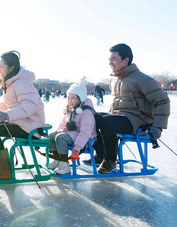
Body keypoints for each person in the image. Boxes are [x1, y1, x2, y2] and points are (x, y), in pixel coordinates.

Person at [95, 43, 170, 174]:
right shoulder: (114, 79)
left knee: (107, 121)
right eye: (109, 59)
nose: (110, 62)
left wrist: (158, 127)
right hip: (121, 117)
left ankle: (110, 160)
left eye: (113, 59)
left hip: (138, 120)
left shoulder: (142, 79)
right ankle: (101, 154)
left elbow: (162, 101)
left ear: (126, 60)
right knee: (92, 116)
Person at [0, 51, 45, 181]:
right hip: (22, 123)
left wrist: (7, 115)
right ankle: (1, 164)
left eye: (2, 67)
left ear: (12, 68)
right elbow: (9, 105)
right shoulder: (11, 83)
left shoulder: (22, 83)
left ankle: (5, 169)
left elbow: (29, 106)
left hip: (31, 126)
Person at [48, 79, 97, 174]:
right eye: (68, 98)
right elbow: (63, 123)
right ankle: (57, 159)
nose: (69, 101)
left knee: (60, 137)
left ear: (80, 98)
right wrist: (56, 133)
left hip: (84, 140)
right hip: (72, 134)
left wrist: (77, 148)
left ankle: (64, 164)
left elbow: (85, 132)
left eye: (73, 98)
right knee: (52, 136)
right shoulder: (71, 109)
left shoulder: (86, 112)